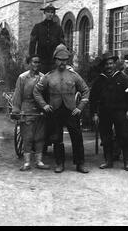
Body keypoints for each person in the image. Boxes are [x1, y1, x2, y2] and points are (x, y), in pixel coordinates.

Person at [33, 44, 90, 174]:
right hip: (55, 111)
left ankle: (80, 164)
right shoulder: (48, 76)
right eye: (60, 59)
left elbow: (86, 90)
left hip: (71, 110)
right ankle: (60, 163)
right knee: (56, 138)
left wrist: (80, 107)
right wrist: (44, 105)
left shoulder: (74, 75)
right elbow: (37, 91)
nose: (62, 62)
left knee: (77, 137)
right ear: (55, 60)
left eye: (65, 60)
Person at [90, 53, 128, 171]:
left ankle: (127, 162)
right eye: (107, 64)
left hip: (120, 112)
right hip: (104, 113)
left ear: (114, 64)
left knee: (124, 136)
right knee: (106, 137)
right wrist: (94, 113)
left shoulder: (122, 77)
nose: (109, 66)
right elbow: (93, 98)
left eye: (111, 63)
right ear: (104, 66)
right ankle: (108, 161)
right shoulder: (99, 80)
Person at [11, 54, 49, 171]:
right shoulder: (22, 78)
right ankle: (27, 163)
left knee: (39, 136)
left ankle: (39, 161)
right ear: (29, 63)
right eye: (33, 62)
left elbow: (47, 95)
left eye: (38, 62)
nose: (36, 64)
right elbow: (17, 95)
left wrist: (46, 107)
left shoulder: (44, 78)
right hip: (26, 109)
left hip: (39, 110)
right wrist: (16, 110)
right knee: (27, 137)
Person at [29, 4, 65, 74]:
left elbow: (62, 44)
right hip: (41, 60)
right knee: (41, 80)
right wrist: (32, 58)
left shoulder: (58, 28)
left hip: (54, 61)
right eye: (48, 12)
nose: (50, 14)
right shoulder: (38, 27)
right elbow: (32, 43)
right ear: (44, 13)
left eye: (52, 12)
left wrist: (62, 58)